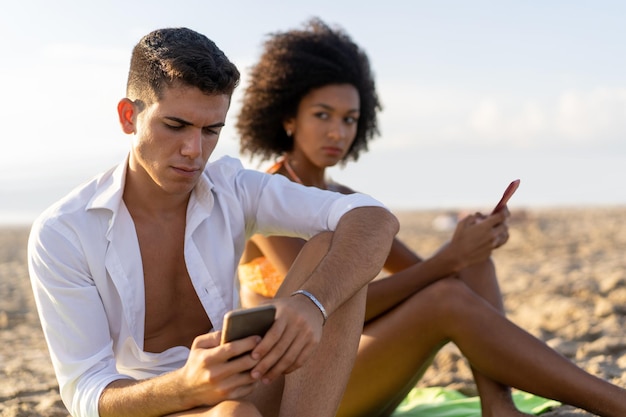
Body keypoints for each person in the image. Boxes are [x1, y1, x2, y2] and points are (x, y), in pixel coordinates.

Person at [235, 17, 626, 417]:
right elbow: (326, 305)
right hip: (290, 393)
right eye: (323, 115)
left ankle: (498, 404)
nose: (337, 132)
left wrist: (469, 248)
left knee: (465, 270)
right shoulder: (270, 198)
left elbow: (430, 274)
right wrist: (446, 260)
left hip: (350, 372)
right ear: (287, 118)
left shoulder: (345, 200)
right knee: (444, 296)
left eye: (349, 119)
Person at [27, 27, 399, 417]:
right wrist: (185, 386)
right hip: (150, 406)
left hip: (244, 390)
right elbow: (86, 392)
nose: (194, 151)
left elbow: (373, 219)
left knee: (331, 247)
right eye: (175, 126)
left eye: (210, 131)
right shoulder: (64, 231)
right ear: (128, 116)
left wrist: (312, 303)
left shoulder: (231, 187)